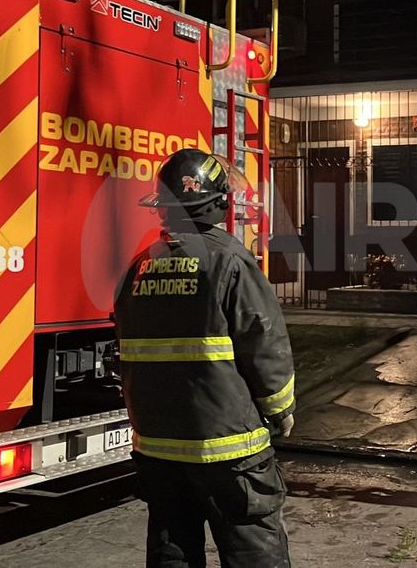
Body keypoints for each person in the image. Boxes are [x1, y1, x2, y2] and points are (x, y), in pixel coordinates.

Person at [113, 148, 296, 567]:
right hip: (227, 448)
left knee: (172, 548)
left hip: (158, 447)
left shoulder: (140, 266)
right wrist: (280, 409)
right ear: (219, 203)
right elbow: (264, 344)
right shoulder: (230, 260)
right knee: (252, 546)